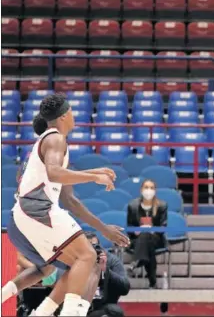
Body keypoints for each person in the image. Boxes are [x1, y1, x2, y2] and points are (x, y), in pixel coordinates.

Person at [2, 94, 129, 317]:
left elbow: (70, 200)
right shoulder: (56, 139)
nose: (73, 114)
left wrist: (103, 227)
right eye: (71, 110)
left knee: (58, 267)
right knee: (88, 256)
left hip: (23, 215)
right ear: (63, 116)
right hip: (36, 210)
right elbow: (54, 173)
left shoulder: (47, 145)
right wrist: (93, 177)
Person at [126, 179, 168, 288]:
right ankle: (152, 280)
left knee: (147, 235)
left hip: (156, 239)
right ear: (141, 190)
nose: (148, 190)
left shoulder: (162, 206)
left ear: (155, 190)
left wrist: (152, 229)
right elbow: (129, 227)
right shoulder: (133, 206)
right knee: (147, 243)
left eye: (151, 188)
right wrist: (136, 231)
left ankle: (138, 260)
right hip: (137, 240)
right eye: (146, 187)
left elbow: (163, 227)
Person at [84, 232, 130, 317]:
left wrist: (106, 270)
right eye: (88, 246)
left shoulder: (111, 260)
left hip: (103, 308)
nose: (91, 250)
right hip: (80, 306)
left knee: (115, 311)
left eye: (94, 246)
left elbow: (125, 288)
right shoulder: (75, 260)